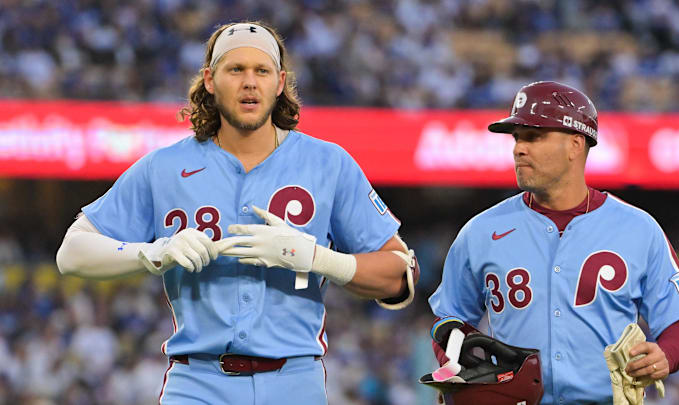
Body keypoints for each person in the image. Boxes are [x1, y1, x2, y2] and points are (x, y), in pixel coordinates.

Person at [56, 21, 418, 405]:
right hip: (196, 382)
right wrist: (152, 252)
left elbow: (401, 273)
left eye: (261, 71)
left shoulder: (328, 163)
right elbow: (72, 251)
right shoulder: (164, 166)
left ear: (279, 82)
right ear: (210, 80)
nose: (250, 82)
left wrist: (318, 258)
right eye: (236, 70)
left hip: (295, 380)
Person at [427, 81, 679, 404]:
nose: (518, 148)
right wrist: (458, 361)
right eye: (517, 138)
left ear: (575, 144)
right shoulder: (480, 232)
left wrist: (666, 355)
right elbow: (449, 320)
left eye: (534, 136)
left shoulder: (639, 229)